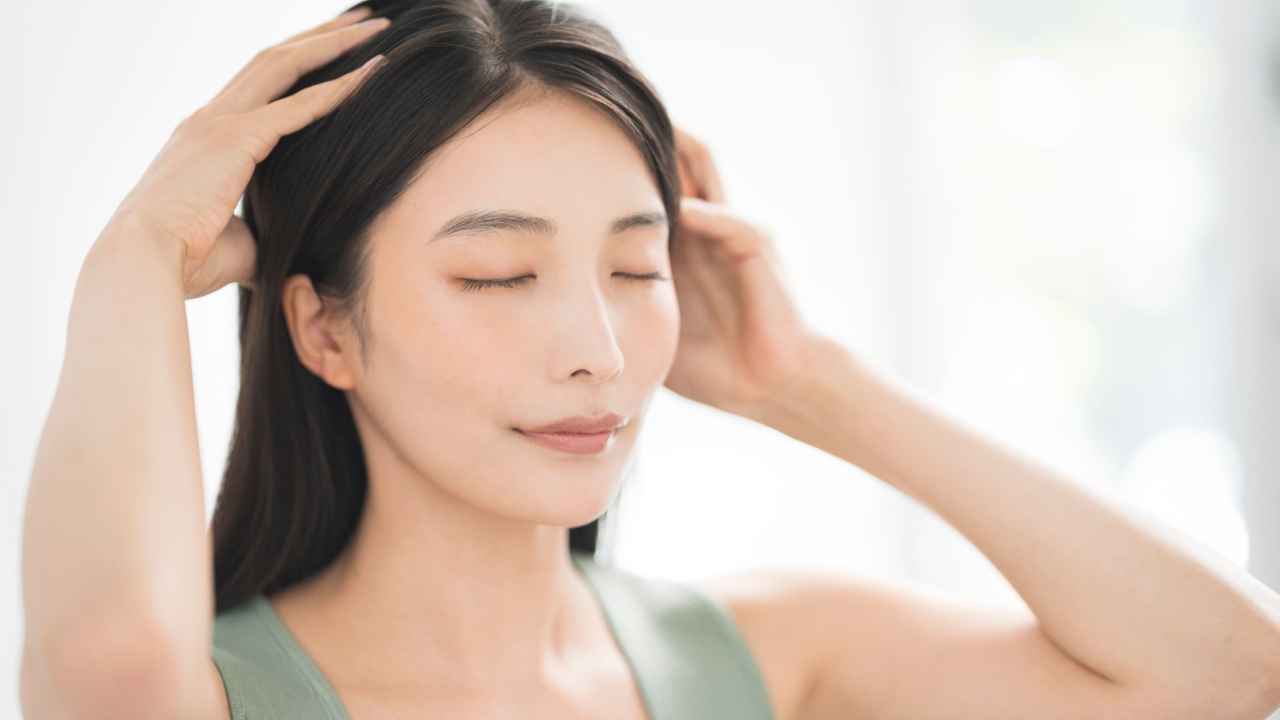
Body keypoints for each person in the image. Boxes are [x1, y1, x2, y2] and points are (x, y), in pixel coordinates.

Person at [19, 0, 1280, 718]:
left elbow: (1228, 670)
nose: (598, 348)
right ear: (324, 328)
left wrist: (805, 381)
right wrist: (135, 252)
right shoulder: (214, 692)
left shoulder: (769, 655)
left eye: (635, 268)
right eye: (498, 276)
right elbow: (111, 662)